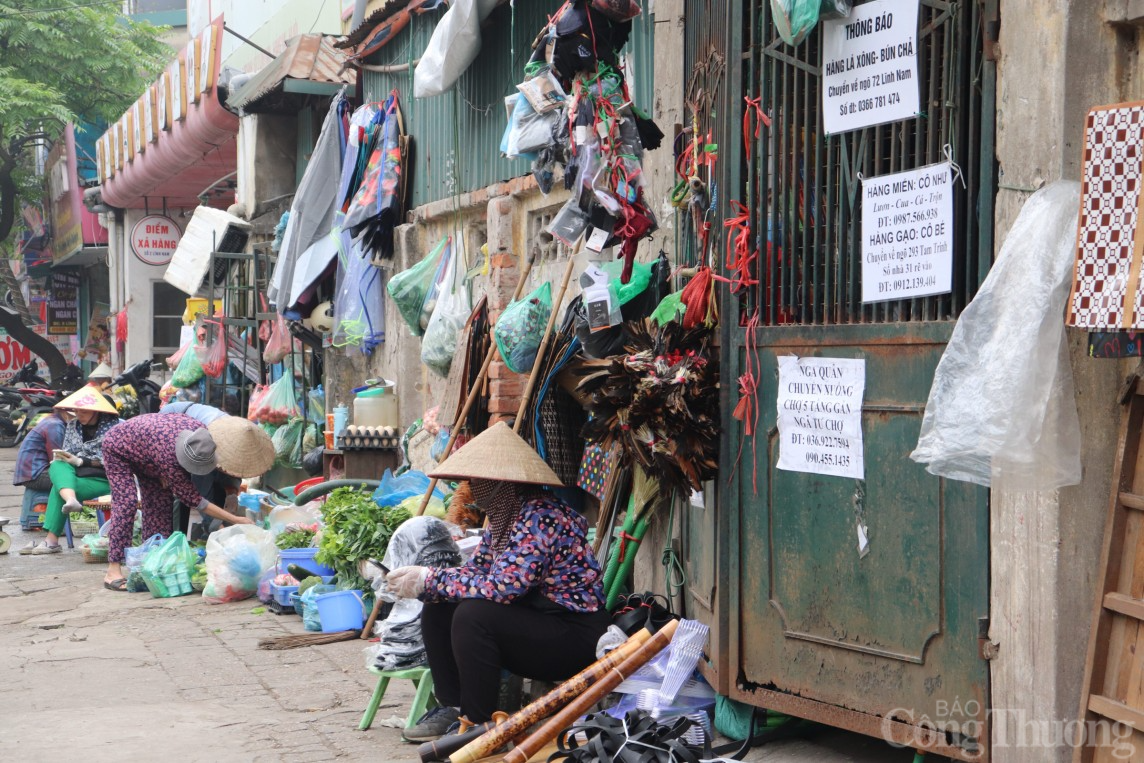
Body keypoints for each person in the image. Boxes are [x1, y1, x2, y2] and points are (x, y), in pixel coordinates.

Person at [386, 422, 609, 742]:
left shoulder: (540, 516)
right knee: (439, 604)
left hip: (574, 634)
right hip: (537, 623)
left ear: (499, 482)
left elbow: (505, 587)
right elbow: (477, 572)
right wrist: (428, 581)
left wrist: (432, 579)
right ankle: (453, 707)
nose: (473, 488)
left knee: (472, 615)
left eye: (479, 481)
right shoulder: (506, 518)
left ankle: (477, 724)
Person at [99, 412, 275, 591]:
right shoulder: (170, 455)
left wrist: (163, 470)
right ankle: (113, 570)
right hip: (118, 447)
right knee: (127, 503)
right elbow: (196, 501)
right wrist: (235, 519)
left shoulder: (201, 436)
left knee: (160, 506)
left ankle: (150, 564)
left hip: (149, 450)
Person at [22, 388, 120, 555]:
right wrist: (67, 457)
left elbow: (115, 461)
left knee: (58, 489)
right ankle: (71, 500)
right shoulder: (73, 425)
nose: (78, 414)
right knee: (57, 464)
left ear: (97, 411)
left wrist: (83, 461)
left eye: (83, 410)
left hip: (105, 480)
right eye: (76, 410)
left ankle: (51, 541)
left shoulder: (116, 428)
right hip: (78, 476)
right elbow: (68, 450)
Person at [158, 401, 243, 535]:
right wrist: (219, 527)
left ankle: (213, 527)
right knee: (183, 493)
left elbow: (234, 470)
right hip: (181, 434)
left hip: (200, 432)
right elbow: (199, 496)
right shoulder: (204, 445)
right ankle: (176, 537)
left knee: (218, 489)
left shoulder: (234, 437)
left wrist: (232, 492)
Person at [12, 412, 66, 534]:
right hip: (36, 475)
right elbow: (57, 458)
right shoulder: (55, 425)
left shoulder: (51, 420)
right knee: (73, 481)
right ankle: (58, 523)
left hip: (30, 473)